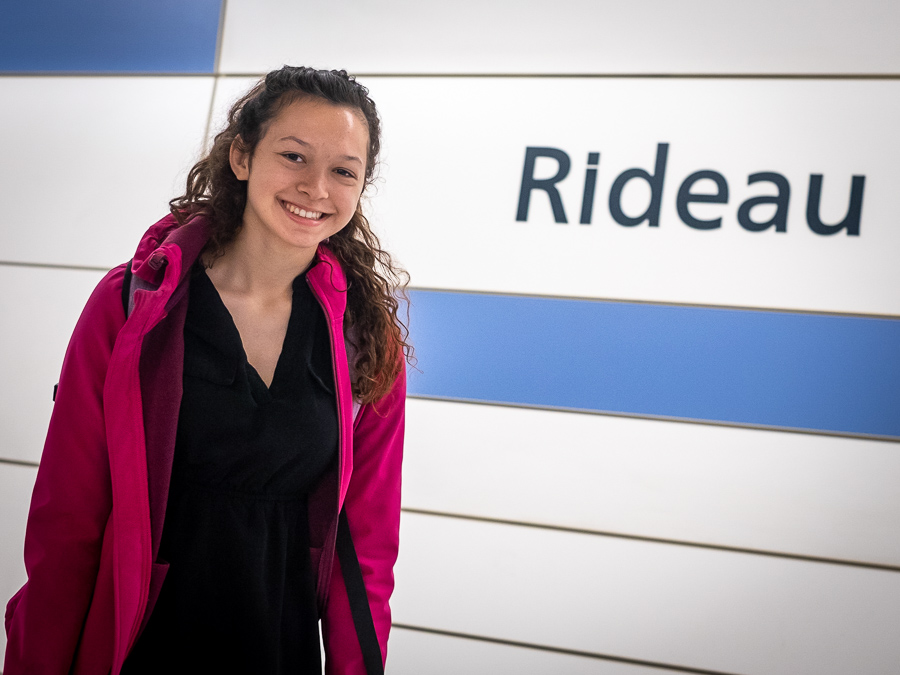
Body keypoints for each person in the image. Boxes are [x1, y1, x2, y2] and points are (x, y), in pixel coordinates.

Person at [4, 66, 410, 675]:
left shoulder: (366, 338)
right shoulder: (132, 303)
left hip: (279, 642)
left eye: (343, 171)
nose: (316, 188)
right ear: (242, 157)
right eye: (294, 156)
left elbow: (366, 552)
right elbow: (68, 520)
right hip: (140, 643)